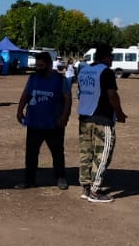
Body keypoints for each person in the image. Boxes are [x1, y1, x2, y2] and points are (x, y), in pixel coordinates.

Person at [75, 43, 126, 203]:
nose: (112, 59)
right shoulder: (106, 72)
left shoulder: (84, 70)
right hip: (102, 118)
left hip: (84, 117)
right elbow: (112, 95)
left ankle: (86, 187)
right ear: (104, 57)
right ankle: (95, 190)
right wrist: (119, 113)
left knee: (86, 155)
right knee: (103, 154)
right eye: (111, 56)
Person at [15, 51, 71, 188]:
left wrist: (64, 116)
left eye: (41, 65)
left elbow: (68, 100)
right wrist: (19, 110)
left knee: (57, 153)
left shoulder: (61, 80)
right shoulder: (33, 78)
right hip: (34, 123)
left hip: (54, 124)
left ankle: (60, 178)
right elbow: (26, 95)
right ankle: (29, 180)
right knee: (31, 154)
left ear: (50, 64)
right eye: (37, 65)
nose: (38, 68)